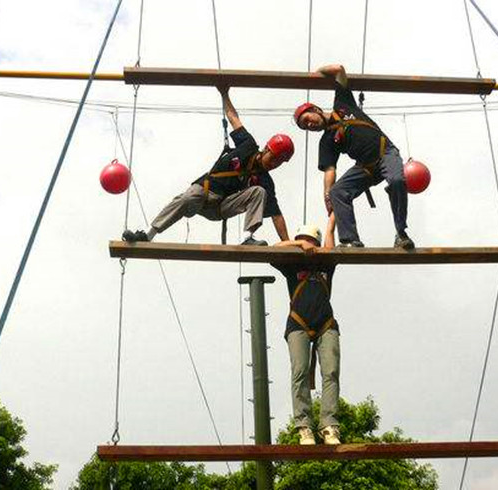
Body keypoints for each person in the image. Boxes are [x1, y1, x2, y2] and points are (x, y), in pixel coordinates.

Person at [124, 87, 293, 246]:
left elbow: (276, 215)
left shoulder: (264, 181)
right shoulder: (248, 145)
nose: (274, 164)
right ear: (266, 149)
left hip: (221, 207)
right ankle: (148, 234)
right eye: (273, 158)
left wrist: (288, 243)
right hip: (203, 193)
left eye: (279, 163)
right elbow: (233, 117)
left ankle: (246, 237)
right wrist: (224, 93)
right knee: (188, 197)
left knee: (259, 192)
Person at [294, 64, 414, 250]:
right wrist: (327, 195)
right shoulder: (326, 141)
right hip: (366, 167)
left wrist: (317, 73)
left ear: (316, 109)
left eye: (307, 119)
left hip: (386, 152)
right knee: (337, 191)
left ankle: (401, 233)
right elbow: (329, 170)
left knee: (397, 179)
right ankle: (350, 240)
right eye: (305, 126)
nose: (309, 125)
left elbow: (339, 69)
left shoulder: (342, 104)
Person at [271, 220, 341, 445]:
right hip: (298, 323)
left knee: (330, 372)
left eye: (311, 241)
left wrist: (332, 218)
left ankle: (329, 425)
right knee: (299, 371)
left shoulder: (325, 262)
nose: (308, 245)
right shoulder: (292, 264)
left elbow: (331, 238)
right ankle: (304, 426)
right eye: (306, 241)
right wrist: (297, 243)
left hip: (325, 323)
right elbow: (272, 249)